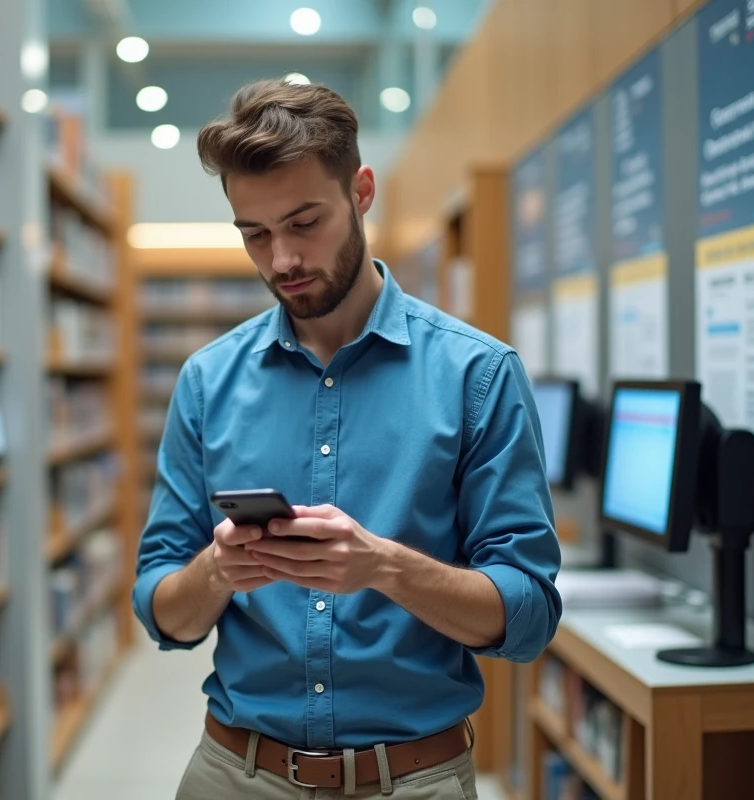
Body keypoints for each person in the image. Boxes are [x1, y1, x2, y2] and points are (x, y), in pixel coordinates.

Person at [132, 78, 562, 799]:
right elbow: (160, 610)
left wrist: (383, 567)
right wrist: (217, 571)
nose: (282, 262)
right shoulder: (207, 381)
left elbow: (528, 617)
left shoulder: (477, 374)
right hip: (234, 774)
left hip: (415, 778)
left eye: (305, 223)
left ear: (361, 192)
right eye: (255, 234)